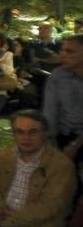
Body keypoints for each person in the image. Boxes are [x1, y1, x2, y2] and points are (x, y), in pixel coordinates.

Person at [42, 34, 83, 165]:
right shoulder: (58, 75)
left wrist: (75, 146)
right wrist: (51, 141)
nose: (63, 55)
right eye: (62, 50)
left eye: (69, 51)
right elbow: (50, 111)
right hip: (64, 134)